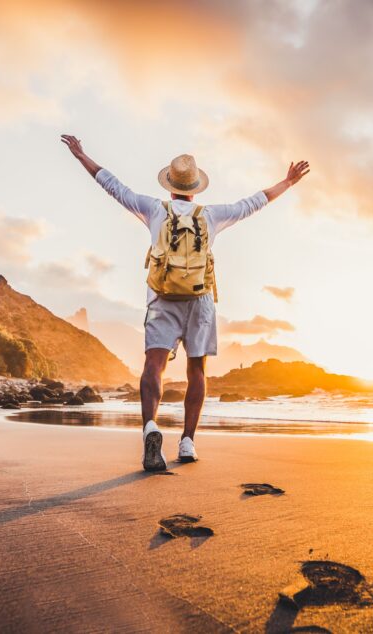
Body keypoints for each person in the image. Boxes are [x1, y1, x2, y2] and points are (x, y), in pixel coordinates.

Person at [61, 134, 309, 471]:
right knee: (197, 370)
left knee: (154, 366)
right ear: (195, 187)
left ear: (170, 185)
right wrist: (288, 181)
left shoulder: (153, 209)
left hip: (162, 298)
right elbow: (253, 202)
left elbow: (113, 186)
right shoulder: (211, 215)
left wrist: (81, 155)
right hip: (199, 300)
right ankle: (188, 442)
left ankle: (151, 427)